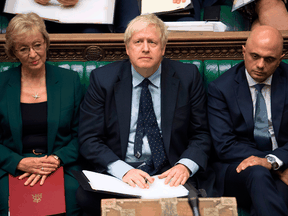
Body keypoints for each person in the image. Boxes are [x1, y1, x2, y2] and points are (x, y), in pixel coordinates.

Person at [76, 13, 213, 215]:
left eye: (153, 42)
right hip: (123, 173)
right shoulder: (103, 80)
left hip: (169, 172)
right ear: (127, 48)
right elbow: (89, 139)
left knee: (198, 200)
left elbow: (201, 134)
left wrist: (184, 166)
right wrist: (123, 171)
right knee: (85, 197)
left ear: (163, 48)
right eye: (138, 41)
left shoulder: (187, 77)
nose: (145, 48)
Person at [0, 12, 83, 215]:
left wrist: (56, 159)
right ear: (13, 52)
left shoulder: (69, 81)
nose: (33, 54)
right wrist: (18, 162)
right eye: (23, 49)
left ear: (46, 42)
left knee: (74, 196)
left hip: (59, 165)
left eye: (37, 45)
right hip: (12, 164)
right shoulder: (1, 84)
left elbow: (83, 134)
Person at [208, 25, 288, 216]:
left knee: (275, 192)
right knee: (258, 173)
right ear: (243, 51)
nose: (260, 65)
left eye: (269, 59)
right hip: (237, 170)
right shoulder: (221, 88)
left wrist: (272, 161)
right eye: (254, 56)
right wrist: (273, 164)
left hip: (281, 162)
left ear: (280, 59)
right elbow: (225, 145)